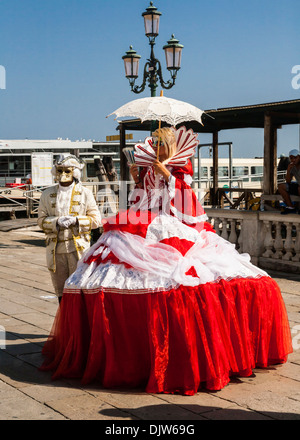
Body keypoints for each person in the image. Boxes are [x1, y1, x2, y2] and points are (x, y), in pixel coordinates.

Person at [40, 128, 292, 395]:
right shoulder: (149, 167)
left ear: (171, 145)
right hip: (144, 221)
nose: (157, 146)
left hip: (172, 223)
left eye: (162, 142)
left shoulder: (179, 167)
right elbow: (141, 201)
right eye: (155, 141)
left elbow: (186, 201)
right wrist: (140, 179)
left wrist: (168, 176)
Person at [37, 154, 102, 304]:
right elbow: (41, 221)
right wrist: (56, 222)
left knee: (80, 291)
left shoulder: (85, 193)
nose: (63, 175)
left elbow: (96, 221)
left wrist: (77, 220)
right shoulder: (46, 194)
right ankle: (65, 325)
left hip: (78, 249)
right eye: (60, 170)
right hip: (55, 250)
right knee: (61, 292)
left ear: (75, 172)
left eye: (67, 170)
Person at [278, 148, 300, 214]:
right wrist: (288, 169)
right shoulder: (292, 167)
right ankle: (291, 207)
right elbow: (288, 181)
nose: (293, 160)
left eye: (295, 157)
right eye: (291, 158)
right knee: (281, 186)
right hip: (298, 187)